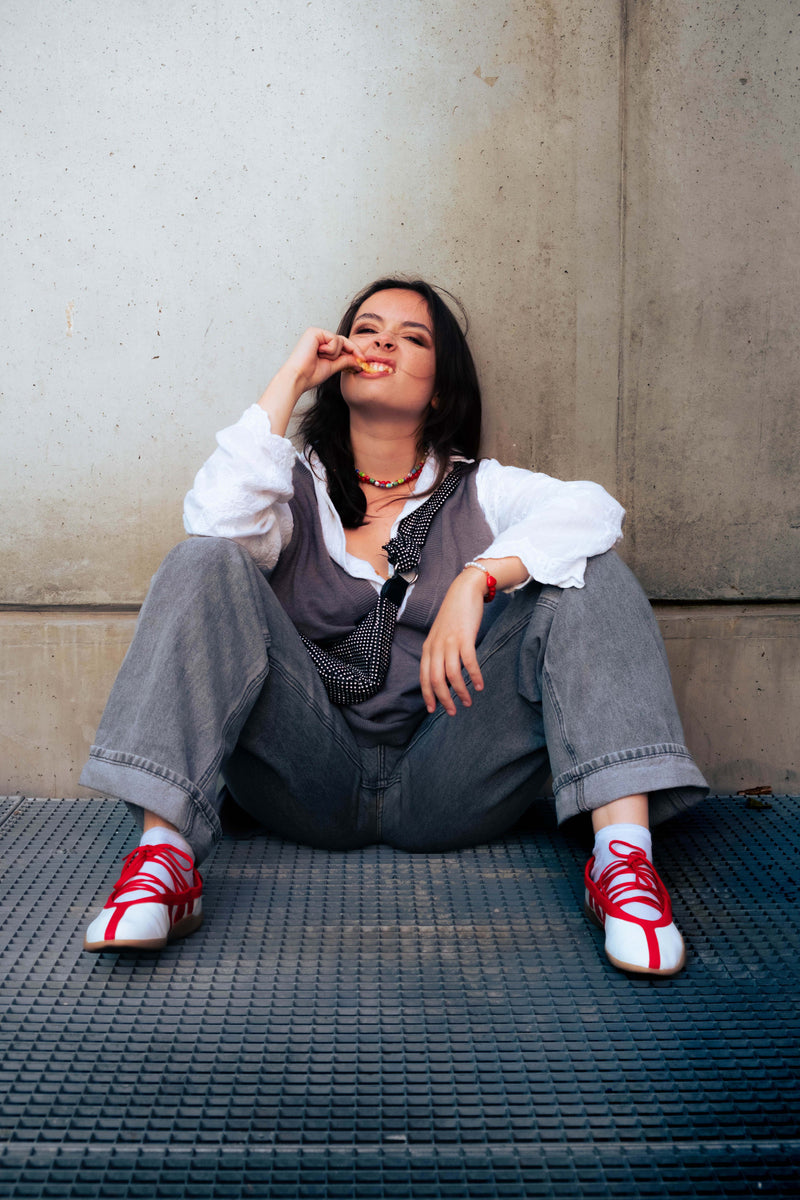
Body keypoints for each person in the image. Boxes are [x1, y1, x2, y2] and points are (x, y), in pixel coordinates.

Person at [80, 276, 708, 975]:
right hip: (305, 773)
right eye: (369, 329)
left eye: (413, 338)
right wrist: (291, 378)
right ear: (343, 361)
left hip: (451, 771)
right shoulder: (284, 489)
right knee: (204, 561)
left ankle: (624, 868)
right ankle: (164, 861)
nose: (384, 341)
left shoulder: (482, 488)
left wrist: (478, 578)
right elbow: (215, 524)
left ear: (439, 390)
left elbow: (594, 509)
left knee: (586, 569)